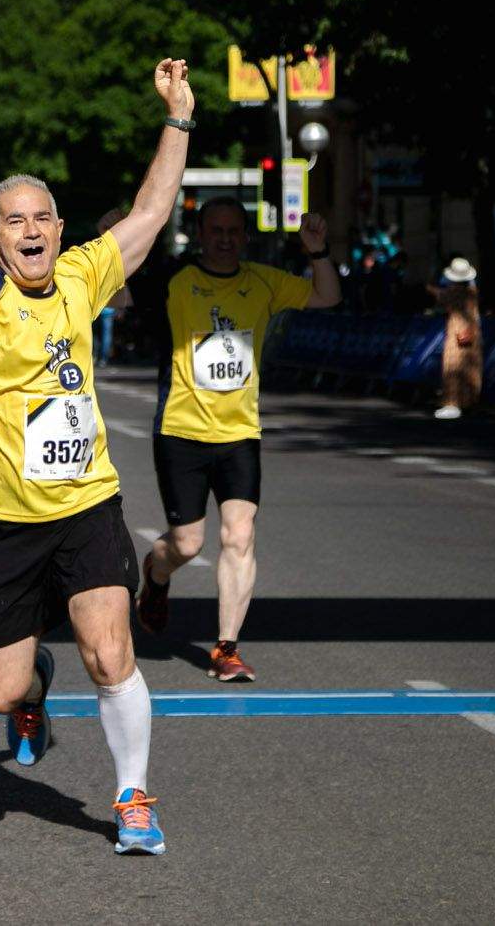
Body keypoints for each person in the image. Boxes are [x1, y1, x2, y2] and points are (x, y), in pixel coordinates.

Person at [0, 57, 196, 857]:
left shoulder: (83, 274)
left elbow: (151, 211)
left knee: (112, 651)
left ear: (59, 225)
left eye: (43, 216)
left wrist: (178, 117)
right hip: (3, 518)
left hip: (86, 503)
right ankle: (35, 689)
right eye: (15, 219)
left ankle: (133, 797)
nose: (34, 228)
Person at [130, 196, 339, 685]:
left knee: (239, 534)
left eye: (233, 231)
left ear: (244, 236)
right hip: (181, 431)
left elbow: (327, 296)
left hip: (240, 433)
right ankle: (155, 576)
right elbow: (116, 296)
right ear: (200, 235)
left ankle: (225, 649)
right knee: (186, 543)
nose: (225, 239)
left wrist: (318, 252)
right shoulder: (175, 280)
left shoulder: (263, 281)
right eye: (215, 230)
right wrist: (114, 244)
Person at [434, 258, 483, 418]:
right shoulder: (473, 292)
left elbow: (440, 300)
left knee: (452, 366)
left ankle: (453, 403)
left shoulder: (453, 292)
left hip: (457, 331)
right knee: (471, 367)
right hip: (473, 332)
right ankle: (471, 401)